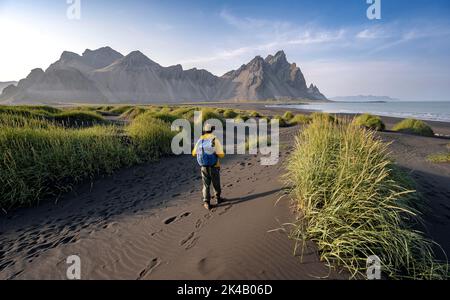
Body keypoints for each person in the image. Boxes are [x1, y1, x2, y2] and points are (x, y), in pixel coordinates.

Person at [192, 123, 225, 210]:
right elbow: (221, 155)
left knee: (206, 185)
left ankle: (207, 202)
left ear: (204, 130)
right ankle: (218, 198)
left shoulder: (200, 140)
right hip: (214, 166)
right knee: (216, 183)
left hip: (203, 166)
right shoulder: (215, 140)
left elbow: (193, 153)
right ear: (212, 130)